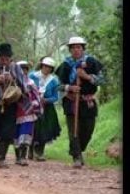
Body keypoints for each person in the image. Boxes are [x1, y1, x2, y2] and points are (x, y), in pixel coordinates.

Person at [55, 36, 104, 168]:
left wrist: (86, 76)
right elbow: (58, 86)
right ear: (70, 50)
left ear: (83, 49)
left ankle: (77, 150)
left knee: (88, 129)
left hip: (88, 101)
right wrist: (70, 87)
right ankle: (76, 157)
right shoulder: (65, 65)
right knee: (74, 130)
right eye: (73, 48)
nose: (76, 50)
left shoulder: (91, 62)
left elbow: (101, 80)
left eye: (79, 47)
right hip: (71, 101)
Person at [29, 57, 61, 161]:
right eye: (45, 66)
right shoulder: (32, 76)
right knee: (33, 128)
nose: (46, 69)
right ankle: (30, 150)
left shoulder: (53, 81)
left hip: (47, 108)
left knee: (44, 130)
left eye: (49, 67)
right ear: (41, 66)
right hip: (33, 106)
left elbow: (56, 97)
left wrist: (46, 100)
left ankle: (40, 152)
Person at [14, 60, 42, 166]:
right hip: (15, 113)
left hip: (28, 113)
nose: (23, 71)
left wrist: (34, 105)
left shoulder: (31, 83)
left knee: (25, 134)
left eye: (25, 69)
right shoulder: (12, 83)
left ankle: (23, 157)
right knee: (16, 135)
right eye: (21, 69)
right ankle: (17, 156)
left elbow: (37, 96)